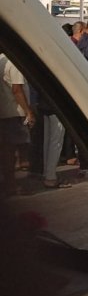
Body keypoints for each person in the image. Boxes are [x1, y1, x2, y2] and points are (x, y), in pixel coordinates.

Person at [0, 54, 35, 196]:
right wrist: (29, 112)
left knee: (7, 151)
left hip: (5, 112)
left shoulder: (1, 60)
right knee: (21, 153)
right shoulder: (14, 64)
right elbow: (17, 90)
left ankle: (10, 184)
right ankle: (16, 186)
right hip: (16, 114)